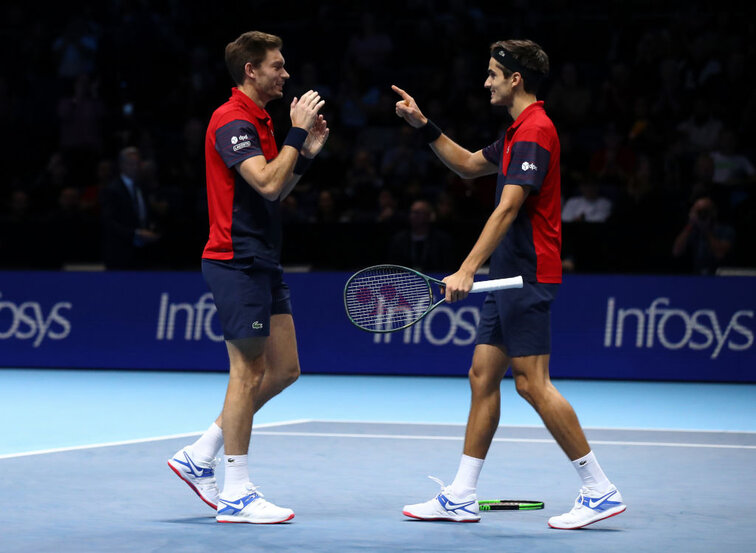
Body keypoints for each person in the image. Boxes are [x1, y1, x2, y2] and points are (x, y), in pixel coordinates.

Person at [392, 39, 625, 529]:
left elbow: (510, 206)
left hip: (526, 274)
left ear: (515, 78)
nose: (486, 81)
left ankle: (598, 488)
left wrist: (467, 267)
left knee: (531, 383)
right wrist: (425, 126)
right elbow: (467, 165)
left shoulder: (537, 130)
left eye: (493, 73)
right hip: (507, 276)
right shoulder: (518, 131)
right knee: (483, 375)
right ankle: (461, 495)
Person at [167, 31, 329, 524]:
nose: (285, 73)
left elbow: (276, 190)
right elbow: (266, 180)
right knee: (248, 373)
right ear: (251, 71)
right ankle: (236, 492)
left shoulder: (259, 119)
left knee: (284, 370)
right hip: (234, 259)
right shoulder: (231, 118)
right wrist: (296, 135)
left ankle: (201, 454)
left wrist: (306, 154)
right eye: (277, 66)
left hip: (262, 258)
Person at [100, 146, 161, 269]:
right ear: (121, 165)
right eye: (131, 164)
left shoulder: (143, 187)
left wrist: (152, 230)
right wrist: (136, 233)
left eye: (137, 163)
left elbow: (145, 215)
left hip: (142, 254)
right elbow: (109, 222)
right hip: (120, 254)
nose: (135, 167)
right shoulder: (112, 190)